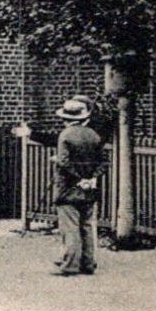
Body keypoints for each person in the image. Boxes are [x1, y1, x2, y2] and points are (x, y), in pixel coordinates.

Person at [53, 97, 104, 276]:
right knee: (87, 226)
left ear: (66, 118)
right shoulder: (94, 135)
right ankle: (88, 263)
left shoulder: (65, 136)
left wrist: (78, 178)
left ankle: (70, 265)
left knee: (70, 227)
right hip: (89, 188)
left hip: (68, 189)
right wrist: (90, 179)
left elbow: (64, 163)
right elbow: (101, 163)